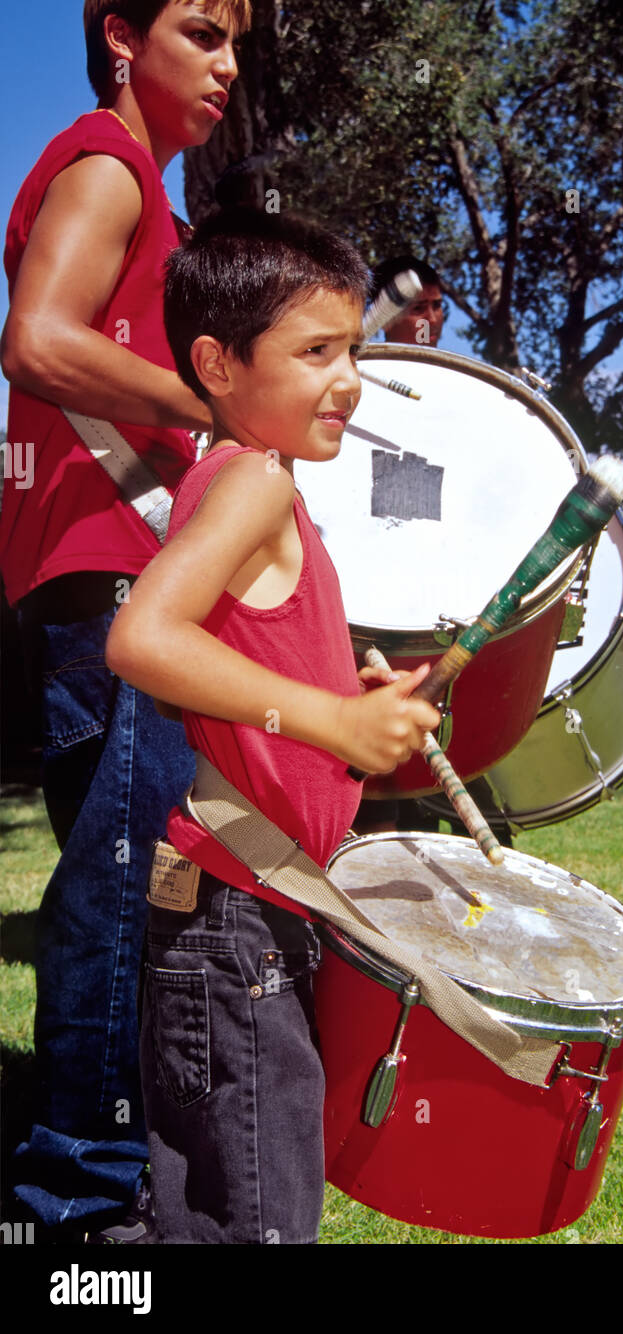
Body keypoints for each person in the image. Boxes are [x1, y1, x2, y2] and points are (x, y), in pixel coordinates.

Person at [105, 208, 441, 1244]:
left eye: (355, 349)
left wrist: (355, 713)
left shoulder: (258, 486)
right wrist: (336, 717)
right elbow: (141, 640)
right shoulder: (251, 481)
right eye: (315, 352)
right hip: (236, 919)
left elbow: (228, 677)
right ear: (216, 362)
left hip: (245, 906)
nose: (348, 379)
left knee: (215, 1205)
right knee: (260, 1216)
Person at [0, 0, 251, 1242]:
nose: (225, 66)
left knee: (119, 873)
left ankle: (96, 1155)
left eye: (231, 45)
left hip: (93, 576)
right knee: (120, 877)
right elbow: (39, 340)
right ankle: (83, 1194)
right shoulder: (102, 161)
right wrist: (208, 410)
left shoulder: (137, 189)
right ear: (120, 38)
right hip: (108, 572)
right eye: (202, 37)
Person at [371, 254, 445, 346]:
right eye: (418, 308)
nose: (433, 320)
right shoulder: (358, 360)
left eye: (437, 305)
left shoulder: (456, 360)